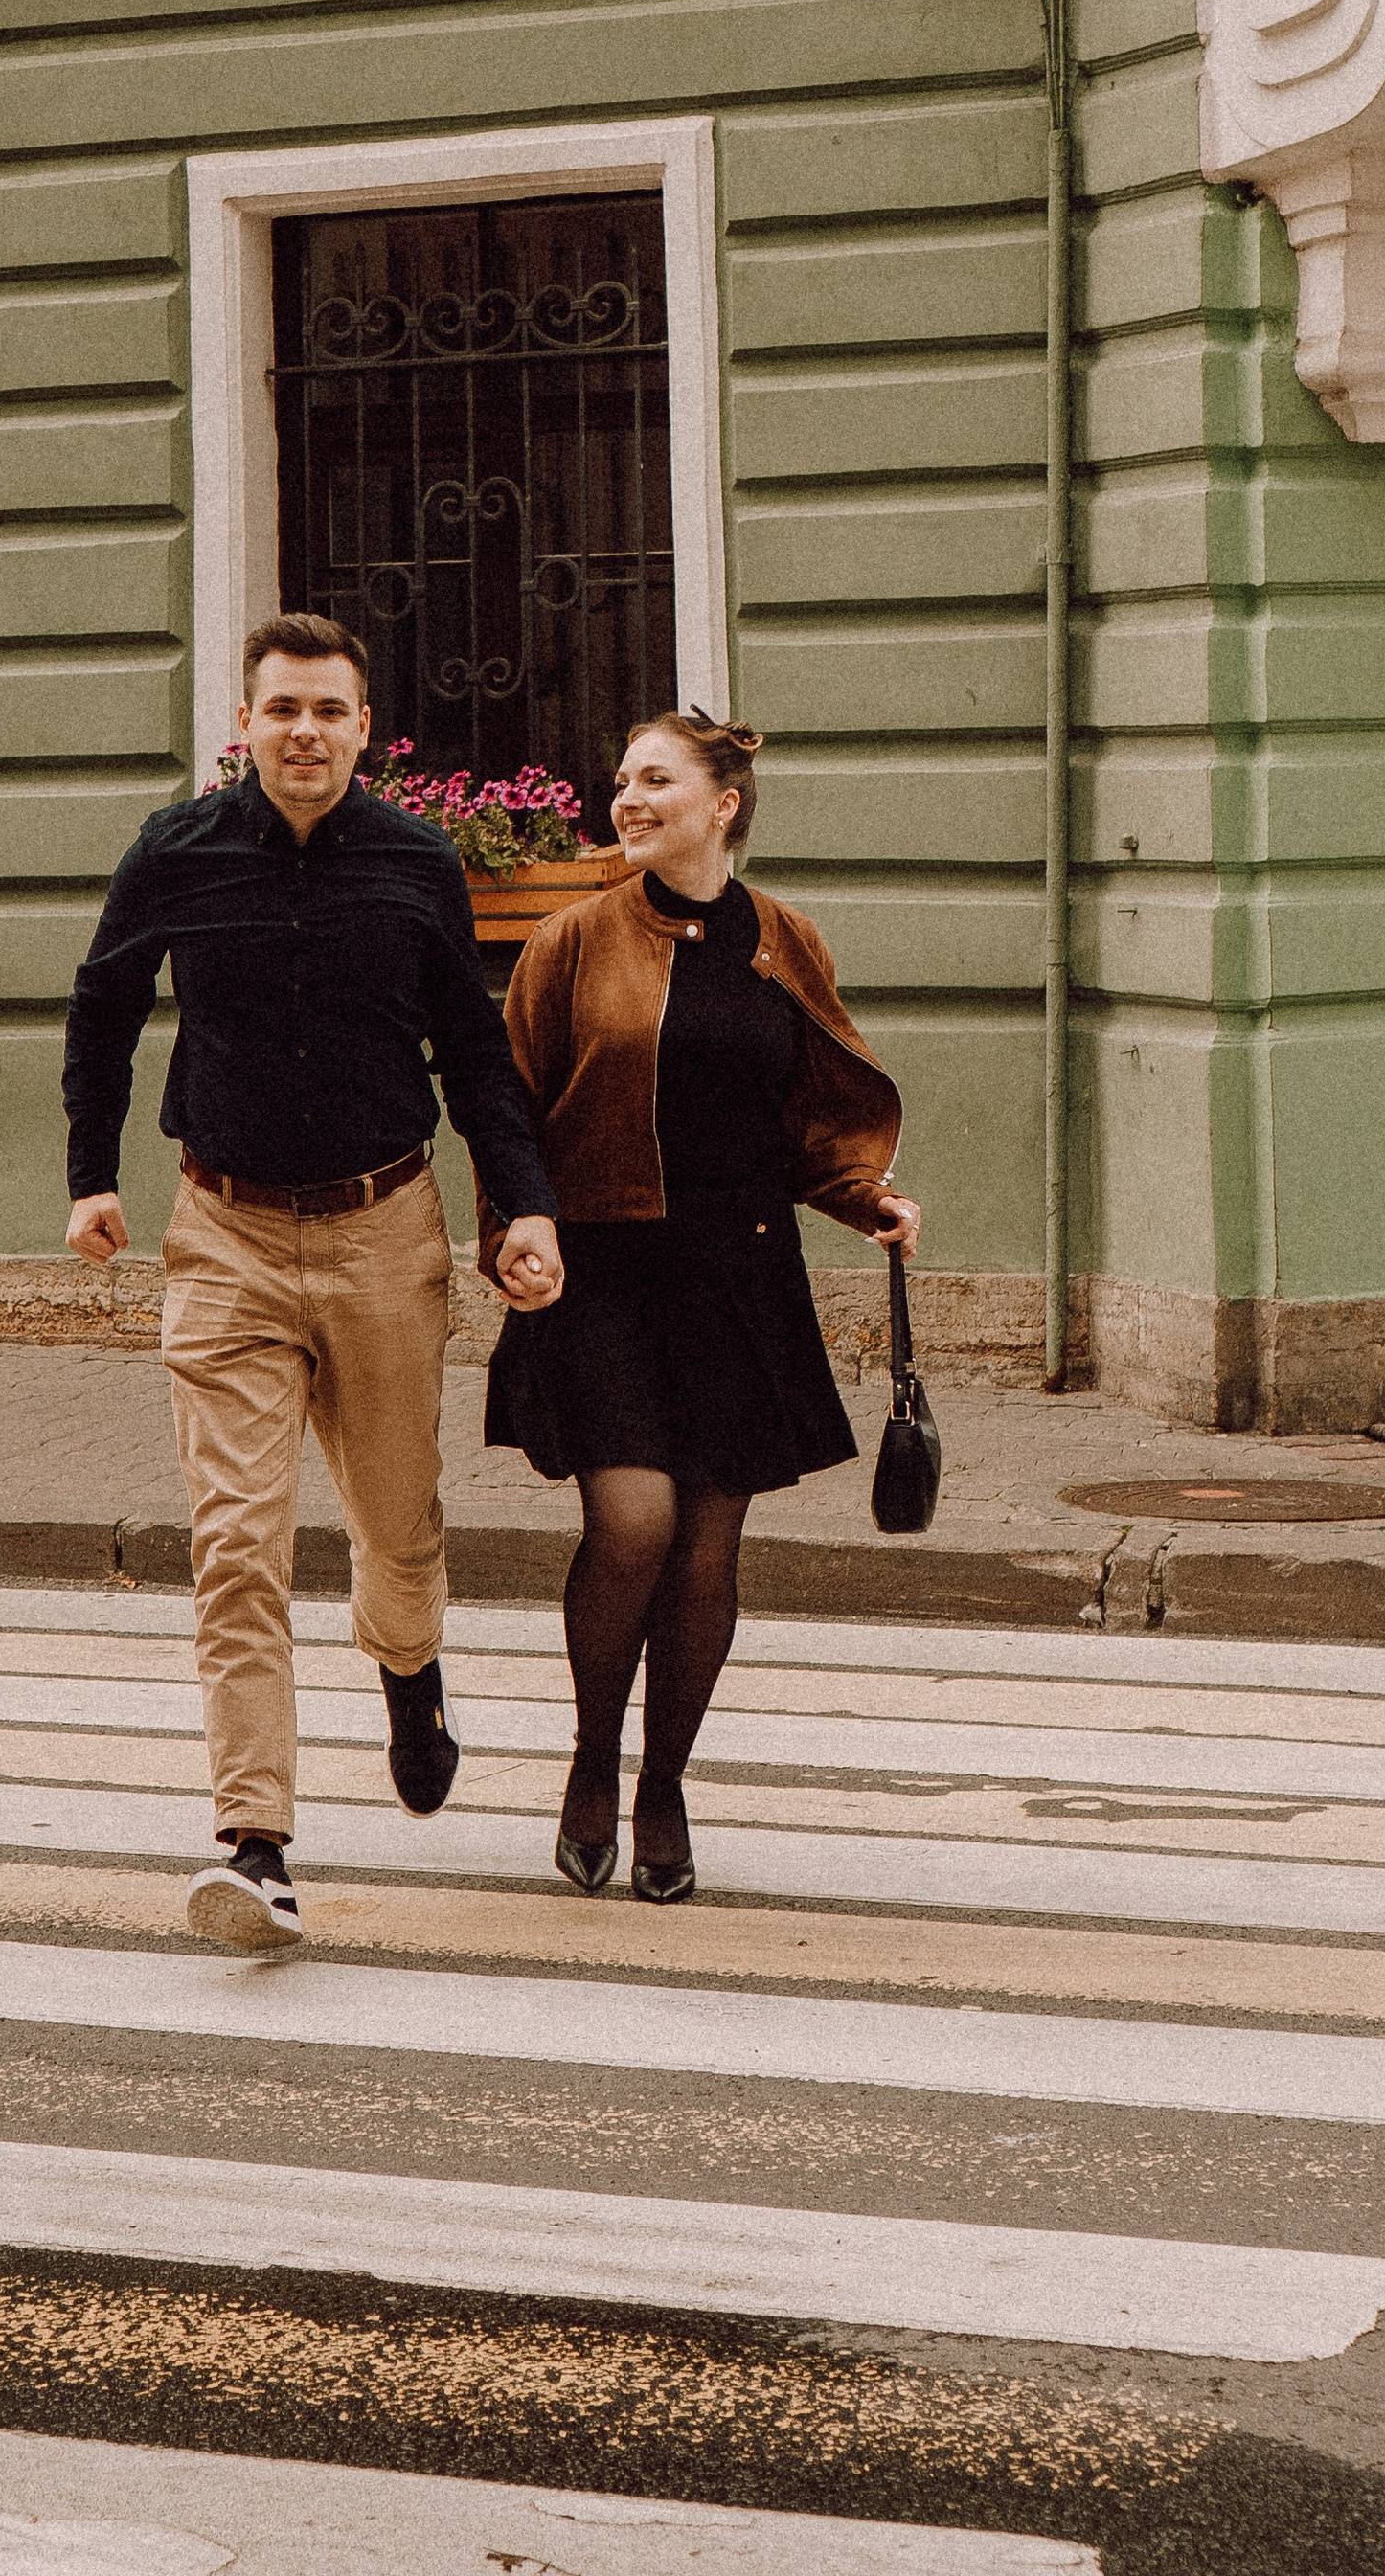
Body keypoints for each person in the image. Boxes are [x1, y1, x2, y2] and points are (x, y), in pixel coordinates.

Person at [62, 614, 564, 1955]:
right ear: (249, 723)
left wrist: (518, 1204)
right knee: (237, 1549)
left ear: (363, 728)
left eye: (329, 712)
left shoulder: (414, 861)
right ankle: (257, 1841)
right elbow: (102, 1006)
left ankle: (409, 1666)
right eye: (282, 710)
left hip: (384, 1228)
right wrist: (90, 1174)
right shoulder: (175, 851)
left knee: (397, 1525)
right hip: (221, 1234)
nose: (305, 733)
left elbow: (471, 1042)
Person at [484, 709, 918, 1904]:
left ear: (722, 804)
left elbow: (811, 1104)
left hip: (740, 1275)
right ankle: (588, 1758)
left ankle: (662, 1783)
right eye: (619, 779)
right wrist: (509, 1236)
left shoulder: (783, 939)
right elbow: (506, 1104)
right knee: (632, 1525)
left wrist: (861, 1196)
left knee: (707, 1554)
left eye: (654, 780)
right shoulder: (570, 939)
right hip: (603, 1273)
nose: (625, 798)